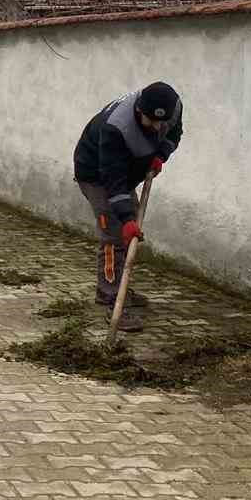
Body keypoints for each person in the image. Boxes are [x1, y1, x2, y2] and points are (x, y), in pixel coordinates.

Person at [72, 81, 183, 333]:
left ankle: (118, 287)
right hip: (96, 175)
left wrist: (160, 155)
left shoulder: (172, 107)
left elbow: (174, 133)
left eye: (161, 122)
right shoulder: (116, 128)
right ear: (139, 110)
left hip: (125, 173)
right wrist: (126, 219)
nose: (157, 127)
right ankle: (111, 297)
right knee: (113, 234)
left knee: (126, 225)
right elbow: (113, 180)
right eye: (150, 121)